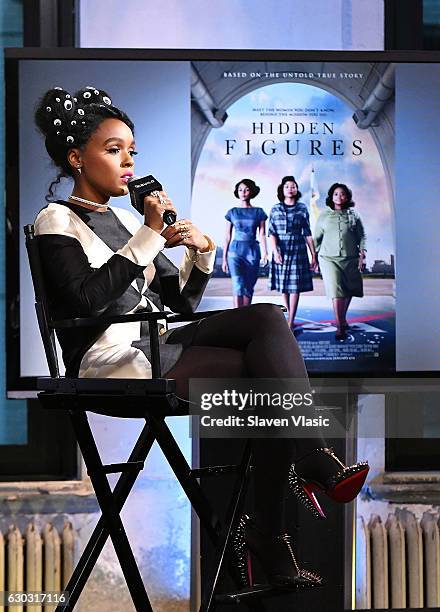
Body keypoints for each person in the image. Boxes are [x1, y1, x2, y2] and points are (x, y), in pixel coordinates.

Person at [33, 87, 367, 592]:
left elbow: (181, 303)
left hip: (156, 342)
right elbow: (87, 303)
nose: (127, 163)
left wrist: (201, 251)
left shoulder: (125, 221)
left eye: (132, 152)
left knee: (268, 325)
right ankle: (282, 512)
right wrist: (147, 235)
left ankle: (284, 508)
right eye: (114, 149)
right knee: (267, 360)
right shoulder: (55, 218)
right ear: (77, 158)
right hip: (110, 359)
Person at [314, 183, 366, 341]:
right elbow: (317, 238)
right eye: (336, 194)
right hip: (328, 258)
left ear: (347, 196)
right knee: (336, 290)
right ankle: (339, 326)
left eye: (342, 194)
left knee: (349, 289)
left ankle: (342, 319)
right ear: (331, 197)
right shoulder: (324, 215)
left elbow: (362, 236)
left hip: (351, 258)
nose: (339, 197)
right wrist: (314, 258)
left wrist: (362, 253)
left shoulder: (354, 215)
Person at [268, 176, 317, 330]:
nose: (290, 188)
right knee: (284, 286)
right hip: (281, 249)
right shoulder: (275, 209)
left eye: (293, 186)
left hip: (298, 248)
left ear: (296, 190)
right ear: (282, 190)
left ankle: (291, 320)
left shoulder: (302, 208)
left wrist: (313, 254)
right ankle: (288, 314)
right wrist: (275, 251)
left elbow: (307, 233)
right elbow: (272, 232)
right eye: (287, 186)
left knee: (295, 286)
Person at [222, 179, 268, 307]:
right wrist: (224, 258)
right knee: (237, 284)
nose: (243, 192)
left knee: (249, 286)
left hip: (252, 251)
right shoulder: (232, 212)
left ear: (251, 192)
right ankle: (237, 319)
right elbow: (227, 236)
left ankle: (246, 317)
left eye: (247, 189)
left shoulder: (259, 212)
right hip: (235, 252)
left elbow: (262, 234)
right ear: (237, 192)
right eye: (240, 189)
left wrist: (265, 253)